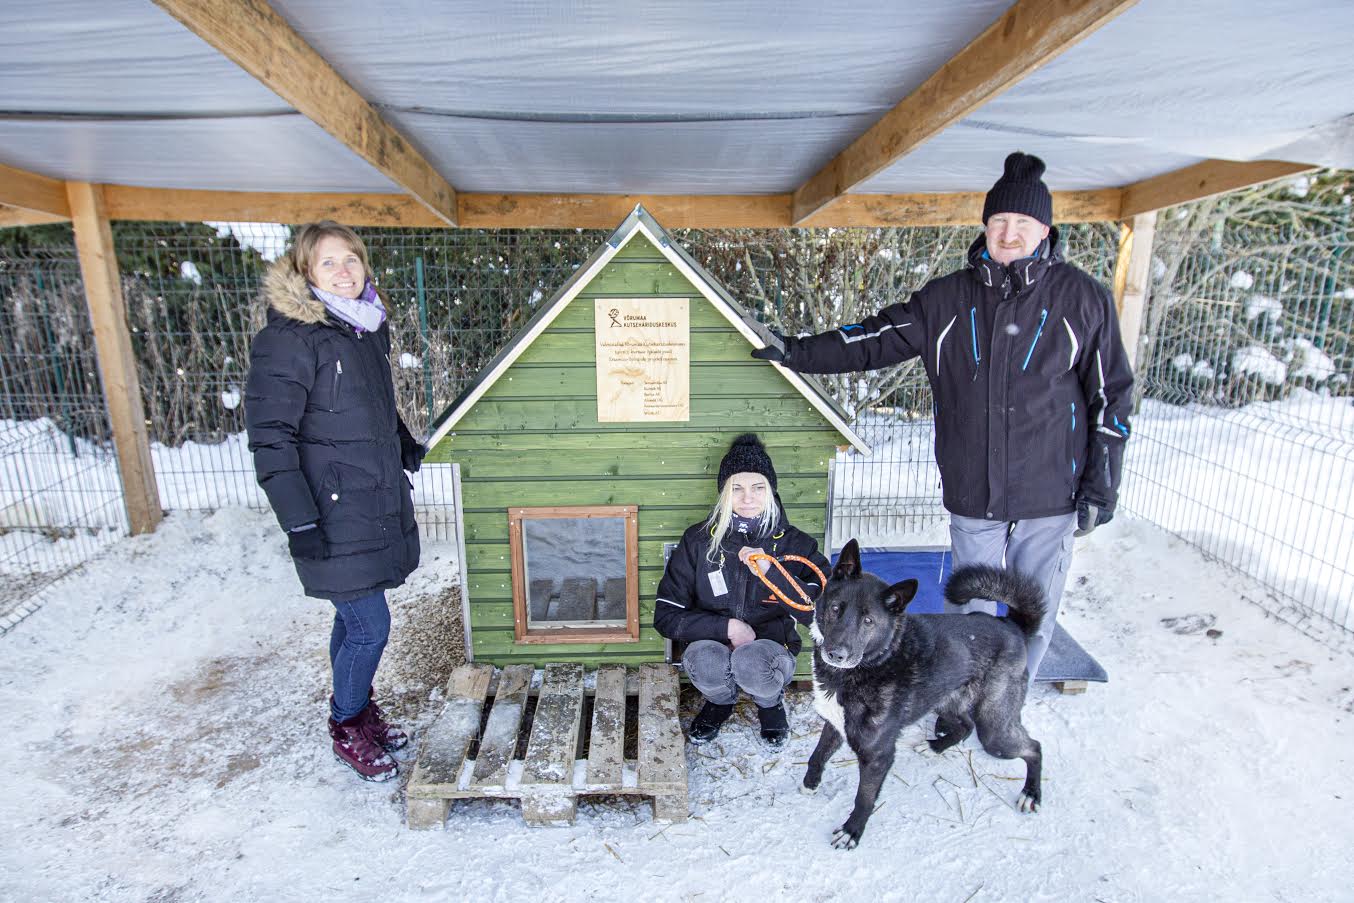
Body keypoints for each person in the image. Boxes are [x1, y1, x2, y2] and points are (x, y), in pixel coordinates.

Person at [752, 151, 1133, 689]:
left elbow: (1112, 396)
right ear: (985, 226)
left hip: (1053, 492)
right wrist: (796, 351)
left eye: (1021, 223)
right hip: (973, 492)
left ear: (1044, 230)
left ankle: (1007, 699)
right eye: (999, 221)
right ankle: (964, 693)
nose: (1008, 233)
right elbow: (873, 340)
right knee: (969, 608)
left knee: (1033, 609)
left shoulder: (1082, 299)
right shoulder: (948, 299)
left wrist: (1102, 486)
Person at [245, 221, 425, 782]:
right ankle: (346, 724)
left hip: (367, 497)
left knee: (353, 619)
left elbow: (370, 402)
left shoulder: (364, 327)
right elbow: (271, 437)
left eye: (351, 259)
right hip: (331, 506)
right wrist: (299, 521)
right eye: (329, 263)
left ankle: (359, 709)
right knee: (369, 624)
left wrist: (399, 440)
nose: (345, 271)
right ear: (304, 272)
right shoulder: (290, 339)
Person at [654, 434, 830, 747]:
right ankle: (720, 701)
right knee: (702, 658)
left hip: (769, 652)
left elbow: (824, 615)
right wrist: (728, 627)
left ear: (771, 490)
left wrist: (772, 573)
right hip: (714, 645)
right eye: (737, 488)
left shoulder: (797, 544)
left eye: (757, 487)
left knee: (752, 660)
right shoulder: (698, 541)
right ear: (724, 492)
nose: (747, 497)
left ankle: (770, 704)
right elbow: (666, 616)